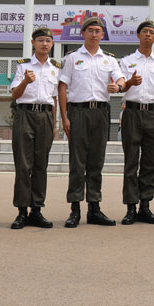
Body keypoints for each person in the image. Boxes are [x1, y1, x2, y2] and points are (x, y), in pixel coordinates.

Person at [58, 15, 126, 227]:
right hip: (78, 112)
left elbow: (121, 78)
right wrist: (64, 117)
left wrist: (119, 87)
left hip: (101, 113)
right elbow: (62, 86)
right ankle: (75, 208)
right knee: (77, 162)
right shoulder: (72, 58)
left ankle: (94, 207)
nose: (94, 34)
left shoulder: (109, 59)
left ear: (102, 35)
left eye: (98, 31)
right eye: (90, 31)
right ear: (83, 33)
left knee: (96, 161)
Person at [8, 26, 59, 230]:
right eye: (40, 41)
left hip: (46, 116)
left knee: (41, 165)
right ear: (33, 43)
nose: (44, 44)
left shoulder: (56, 67)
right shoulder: (23, 65)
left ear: (52, 44)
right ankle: (21, 211)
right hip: (25, 114)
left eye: (48, 41)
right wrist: (26, 83)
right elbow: (14, 94)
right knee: (23, 165)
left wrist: (54, 124)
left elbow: (54, 98)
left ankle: (37, 209)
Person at [119, 20, 154, 225]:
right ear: (138, 36)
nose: (148, 35)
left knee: (151, 162)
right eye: (145, 32)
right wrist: (130, 82)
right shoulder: (126, 61)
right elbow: (121, 87)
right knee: (131, 161)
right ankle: (131, 207)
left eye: (152, 32)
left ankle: (145, 205)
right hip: (132, 112)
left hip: (152, 114)